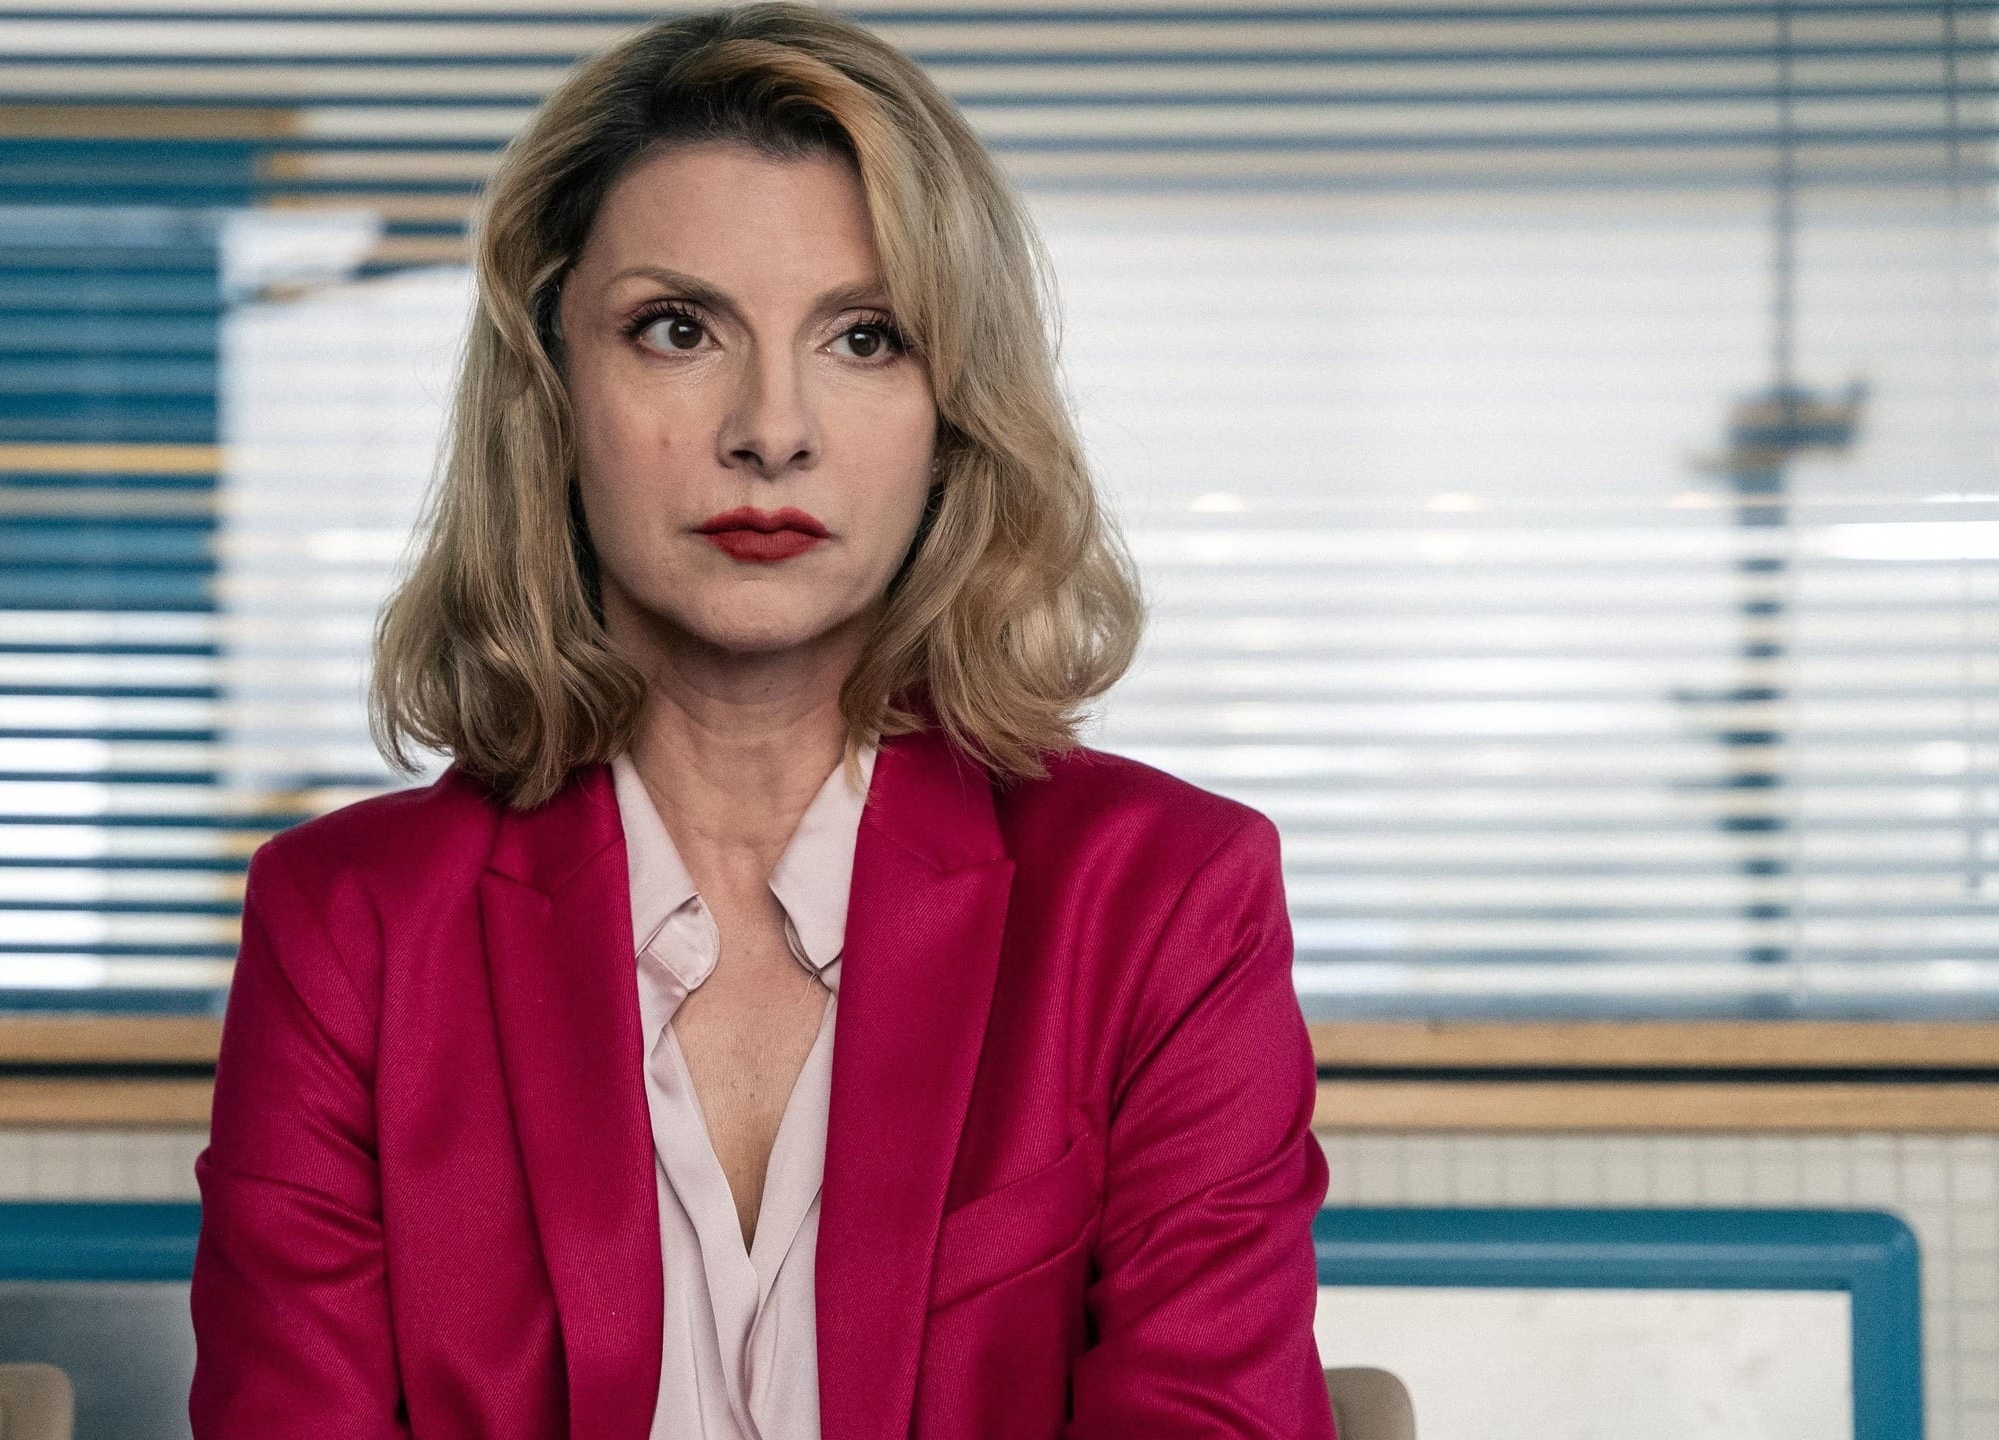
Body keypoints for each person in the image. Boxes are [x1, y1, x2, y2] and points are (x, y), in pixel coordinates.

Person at [186, 4, 1335, 1436]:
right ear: (552, 389)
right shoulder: (351, 927)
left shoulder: (1164, 899)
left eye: (865, 337)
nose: (771, 429)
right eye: (678, 330)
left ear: (954, 412)